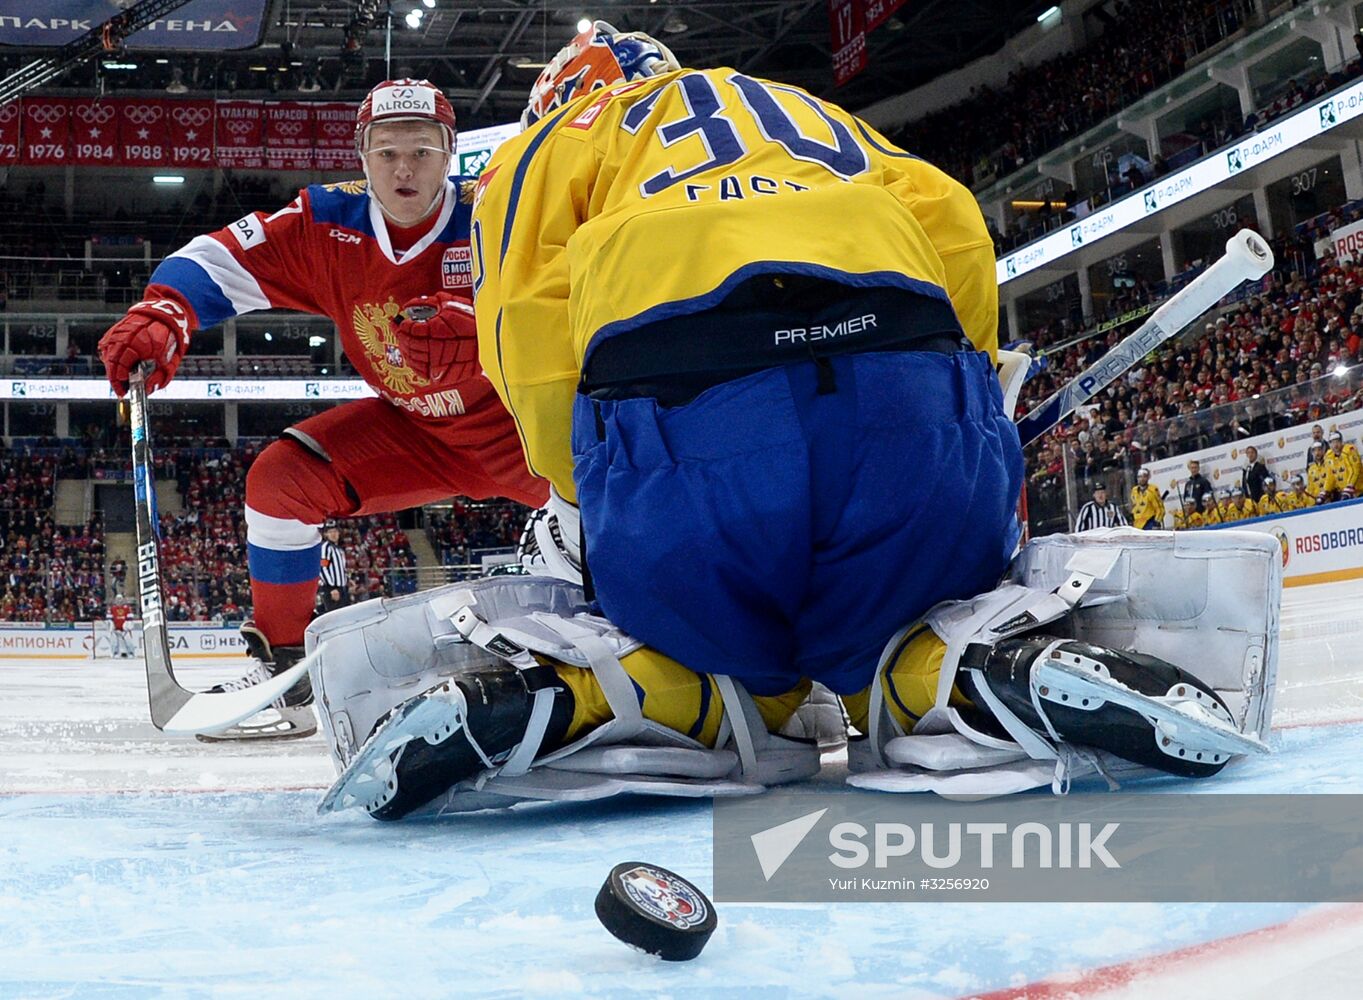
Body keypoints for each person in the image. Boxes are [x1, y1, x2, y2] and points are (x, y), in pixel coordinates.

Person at [308, 25, 1270, 821]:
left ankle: (607, 695)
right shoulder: (799, 107)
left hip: (685, 415)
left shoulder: (543, 146)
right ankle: (970, 670)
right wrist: (969, 396)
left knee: (714, 647)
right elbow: (954, 227)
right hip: (906, 386)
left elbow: (521, 329)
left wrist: (582, 487)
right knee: (894, 623)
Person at [97, 79, 547, 739]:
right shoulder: (325, 223)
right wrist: (165, 310)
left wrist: (490, 330)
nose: (404, 169)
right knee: (281, 481)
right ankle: (288, 677)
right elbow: (215, 257)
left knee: (629, 529)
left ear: (450, 153)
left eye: (422, 152)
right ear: (361, 155)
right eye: (387, 151)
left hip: (529, 431)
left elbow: (586, 304)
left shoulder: (500, 216)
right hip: (417, 431)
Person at [318, 521, 349, 614]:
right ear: (326, 534)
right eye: (330, 532)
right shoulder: (326, 547)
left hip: (341, 587)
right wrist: (331, 587)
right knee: (335, 615)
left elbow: (342, 568)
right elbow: (322, 568)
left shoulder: (339, 549)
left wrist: (347, 579)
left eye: (335, 531)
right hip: (332, 589)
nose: (333, 534)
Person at [1324, 430, 1362, 500]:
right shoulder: (1329, 456)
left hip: (1359, 491)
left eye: (1337, 441)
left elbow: (1355, 470)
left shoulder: (1350, 451)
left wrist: (1349, 486)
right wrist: (1325, 491)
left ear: (1342, 442)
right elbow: (1330, 477)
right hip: (1344, 493)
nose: (1335, 445)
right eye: (1332, 442)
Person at [108, 594, 135, 659]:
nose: (119, 601)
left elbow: (130, 619)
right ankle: (115, 653)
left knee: (129, 642)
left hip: (125, 630)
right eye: (118, 599)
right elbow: (109, 619)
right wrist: (112, 627)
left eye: (120, 599)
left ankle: (131, 653)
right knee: (114, 642)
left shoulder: (127, 608)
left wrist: (127, 627)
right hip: (115, 629)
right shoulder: (112, 608)